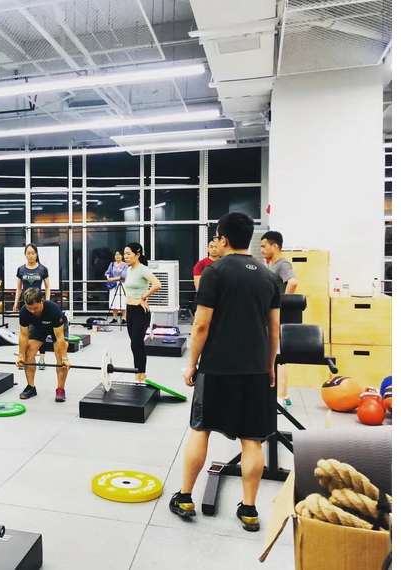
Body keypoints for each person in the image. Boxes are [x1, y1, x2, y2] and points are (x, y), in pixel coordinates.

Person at [170, 212, 280, 533]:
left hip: (217, 367)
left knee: (201, 429)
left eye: (217, 237)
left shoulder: (214, 272)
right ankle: (249, 509)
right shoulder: (268, 276)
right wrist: (269, 365)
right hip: (255, 369)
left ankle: (185, 498)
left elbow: (201, 325)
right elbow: (274, 329)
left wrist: (192, 363)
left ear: (225, 239)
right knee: (252, 440)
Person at [260, 230, 298, 409]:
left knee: (278, 357)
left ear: (275, 246)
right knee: (275, 355)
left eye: (264, 246)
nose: (261, 250)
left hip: (279, 318)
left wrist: (283, 304)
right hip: (271, 316)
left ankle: (281, 397)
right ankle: (285, 394)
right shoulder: (272, 265)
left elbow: (293, 282)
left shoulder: (283, 264)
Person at [16, 288, 71, 402]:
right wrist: (21, 355)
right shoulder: (24, 311)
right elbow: (24, 335)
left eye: (35, 308)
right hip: (39, 327)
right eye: (29, 308)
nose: (32, 311)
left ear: (42, 301)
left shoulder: (53, 309)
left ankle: (60, 389)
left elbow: (59, 337)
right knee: (28, 352)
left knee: (60, 355)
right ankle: (31, 387)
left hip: (57, 328)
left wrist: (65, 358)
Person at [123, 243, 162, 383]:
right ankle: (140, 374)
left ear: (137, 255)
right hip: (130, 310)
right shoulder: (129, 270)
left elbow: (157, 284)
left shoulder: (143, 269)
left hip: (141, 312)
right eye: (124, 254)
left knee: (136, 343)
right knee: (137, 345)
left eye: (128, 254)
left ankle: (140, 374)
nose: (125, 256)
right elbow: (129, 288)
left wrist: (143, 297)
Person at [12, 243, 51, 369]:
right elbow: (19, 288)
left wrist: (47, 302)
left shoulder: (42, 269)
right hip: (26, 304)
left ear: (36, 254)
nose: (31, 256)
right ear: (25, 255)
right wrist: (16, 302)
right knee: (25, 331)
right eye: (28, 253)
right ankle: (23, 357)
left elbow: (47, 287)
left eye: (33, 253)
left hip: (39, 304)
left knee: (41, 330)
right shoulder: (21, 269)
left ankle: (42, 359)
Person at [104, 251, 128, 324]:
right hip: (113, 285)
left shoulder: (125, 265)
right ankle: (114, 318)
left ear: (122, 256)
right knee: (114, 301)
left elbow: (123, 275)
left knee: (123, 301)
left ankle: (124, 318)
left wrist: (112, 279)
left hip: (122, 284)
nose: (117, 256)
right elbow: (107, 272)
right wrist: (108, 277)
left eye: (119, 255)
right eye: (116, 255)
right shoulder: (112, 264)